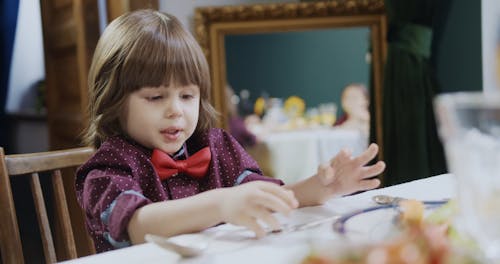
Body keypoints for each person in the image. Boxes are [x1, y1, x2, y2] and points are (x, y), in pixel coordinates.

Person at [76, 10, 385, 253]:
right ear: (114, 100)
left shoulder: (216, 145)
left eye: (187, 96)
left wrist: (320, 188)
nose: (176, 110)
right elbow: (138, 225)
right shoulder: (108, 168)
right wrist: (222, 203)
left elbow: (264, 196)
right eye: (156, 97)